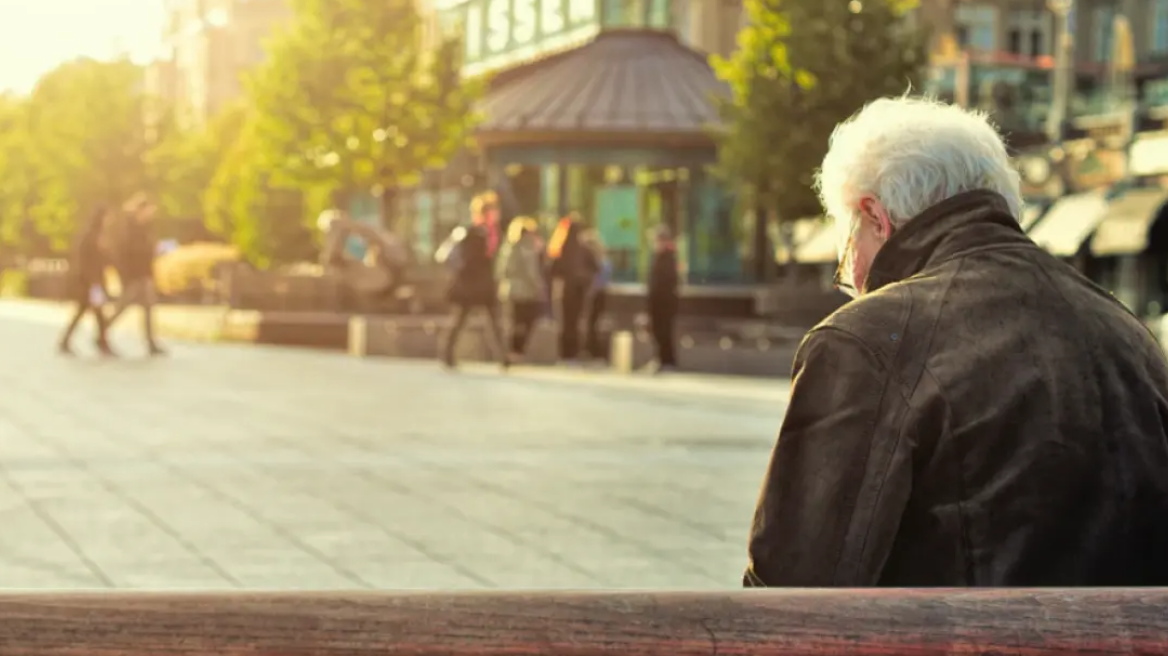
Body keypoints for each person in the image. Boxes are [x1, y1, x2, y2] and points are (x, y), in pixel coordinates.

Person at [743, 96, 1168, 588]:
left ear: (875, 217)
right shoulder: (1126, 329)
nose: (852, 281)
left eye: (845, 258)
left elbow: (793, 587)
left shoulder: (866, 340)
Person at [441, 208, 509, 370]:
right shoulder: (471, 233)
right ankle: (447, 354)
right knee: (463, 320)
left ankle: (503, 357)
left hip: (481, 284)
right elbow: (469, 259)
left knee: (492, 321)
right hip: (472, 285)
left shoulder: (490, 233)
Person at [106, 194, 166, 356]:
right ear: (140, 210)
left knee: (148, 308)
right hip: (133, 276)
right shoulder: (129, 229)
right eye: (148, 211)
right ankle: (102, 332)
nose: (150, 215)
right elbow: (125, 253)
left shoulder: (144, 228)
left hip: (144, 275)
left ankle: (151, 343)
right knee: (122, 307)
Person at [58, 206, 115, 356]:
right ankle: (101, 343)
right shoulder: (91, 236)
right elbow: (86, 260)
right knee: (98, 314)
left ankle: (66, 341)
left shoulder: (98, 235)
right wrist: (93, 281)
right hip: (91, 282)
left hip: (94, 281)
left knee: (87, 312)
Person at [547, 214, 596, 364]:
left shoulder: (560, 249)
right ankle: (574, 352)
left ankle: (565, 353)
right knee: (576, 322)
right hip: (580, 290)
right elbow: (595, 267)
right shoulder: (584, 249)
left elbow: (552, 270)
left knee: (565, 322)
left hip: (565, 290)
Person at [496, 217, 545, 361]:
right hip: (525, 291)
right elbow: (532, 271)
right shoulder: (526, 247)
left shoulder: (507, 247)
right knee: (525, 321)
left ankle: (511, 351)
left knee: (513, 321)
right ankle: (516, 351)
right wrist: (539, 287)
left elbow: (500, 270)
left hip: (508, 290)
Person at [646, 225, 679, 372]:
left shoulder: (668, 258)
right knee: (657, 330)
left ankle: (667, 360)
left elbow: (667, 281)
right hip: (657, 300)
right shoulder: (658, 258)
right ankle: (661, 358)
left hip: (664, 301)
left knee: (664, 331)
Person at [581, 229, 612, 360]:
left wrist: (591, 290)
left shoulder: (598, 261)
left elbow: (599, 280)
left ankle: (593, 349)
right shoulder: (604, 260)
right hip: (600, 294)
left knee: (592, 322)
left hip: (596, 294)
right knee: (593, 322)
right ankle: (592, 349)